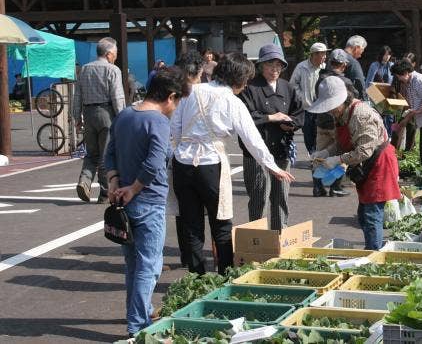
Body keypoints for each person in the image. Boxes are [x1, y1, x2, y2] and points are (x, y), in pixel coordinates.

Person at [171, 53, 294, 275]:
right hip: (211, 164)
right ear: (238, 79)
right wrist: (273, 167)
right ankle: (225, 275)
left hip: (183, 163)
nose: (245, 85)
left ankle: (196, 277)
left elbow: (175, 129)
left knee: (192, 224)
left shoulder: (190, 92)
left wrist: (182, 149)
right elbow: (252, 139)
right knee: (221, 223)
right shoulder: (232, 101)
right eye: (245, 80)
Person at [104, 66, 188, 337]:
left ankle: (137, 312)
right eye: (177, 101)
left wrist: (115, 182)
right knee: (149, 265)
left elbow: (110, 152)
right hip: (148, 201)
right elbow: (154, 164)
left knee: (133, 264)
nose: (175, 108)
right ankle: (138, 326)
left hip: (123, 201)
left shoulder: (126, 114)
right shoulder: (158, 121)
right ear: (171, 96)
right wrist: (135, 187)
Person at [309, 76, 400, 250]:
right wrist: (326, 152)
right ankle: (373, 248)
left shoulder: (361, 115)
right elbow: (342, 142)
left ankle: (374, 254)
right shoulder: (342, 114)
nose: (330, 111)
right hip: (366, 165)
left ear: (344, 99)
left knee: (371, 214)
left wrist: (338, 159)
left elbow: (364, 151)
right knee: (364, 213)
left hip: (379, 164)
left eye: (331, 106)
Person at [239, 44, 304, 231]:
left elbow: (299, 114)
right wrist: (270, 117)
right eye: (270, 65)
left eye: (278, 65)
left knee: (281, 196)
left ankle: (279, 235)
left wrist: (291, 123)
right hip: (256, 153)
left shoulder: (288, 87)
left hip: (281, 149)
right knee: (259, 197)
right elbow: (243, 118)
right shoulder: (250, 88)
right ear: (260, 66)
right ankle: (256, 239)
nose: (274, 69)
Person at [72, 37, 126, 204]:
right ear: (109, 54)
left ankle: (84, 181)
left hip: (88, 114)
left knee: (91, 153)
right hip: (106, 113)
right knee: (105, 155)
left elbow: (77, 96)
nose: (115, 57)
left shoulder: (85, 69)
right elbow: (117, 97)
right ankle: (104, 193)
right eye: (115, 54)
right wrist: (123, 118)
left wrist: (76, 117)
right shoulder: (113, 70)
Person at [170, 51, 204, 268]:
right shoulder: (204, 92)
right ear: (199, 71)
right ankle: (199, 258)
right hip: (204, 157)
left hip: (176, 156)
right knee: (210, 211)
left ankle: (187, 257)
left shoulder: (171, 91)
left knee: (183, 210)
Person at [312, 49, 355, 197]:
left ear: (330, 63)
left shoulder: (321, 79)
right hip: (338, 124)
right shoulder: (346, 82)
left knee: (320, 155)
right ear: (343, 65)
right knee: (340, 154)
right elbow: (352, 101)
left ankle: (317, 187)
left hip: (321, 122)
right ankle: (335, 187)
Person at [289, 42, 328, 154]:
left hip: (321, 108)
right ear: (314, 55)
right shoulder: (301, 67)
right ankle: (312, 155)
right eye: (322, 54)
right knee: (308, 134)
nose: (325, 57)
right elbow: (292, 84)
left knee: (320, 135)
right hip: (306, 108)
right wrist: (302, 97)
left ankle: (317, 156)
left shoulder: (325, 67)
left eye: (325, 54)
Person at [366, 45, 395, 136]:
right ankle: (379, 136)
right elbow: (368, 82)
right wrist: (369, 95)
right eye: (385, 55)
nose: (387, 57)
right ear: (381, 55)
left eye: (389, 55)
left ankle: (389, 136)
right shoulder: (374, 65)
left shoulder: (392, 65)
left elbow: (393, 80)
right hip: (376, 93)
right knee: (379, 116)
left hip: (389, 93)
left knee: (390, 116)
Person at [343, 35, 367, 100]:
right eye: (362, 51)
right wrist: (365, 100)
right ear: (357, 48)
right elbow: (360, 84)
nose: (360, 55)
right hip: (347, 102)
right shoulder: (353, 63)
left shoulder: (333, 58)